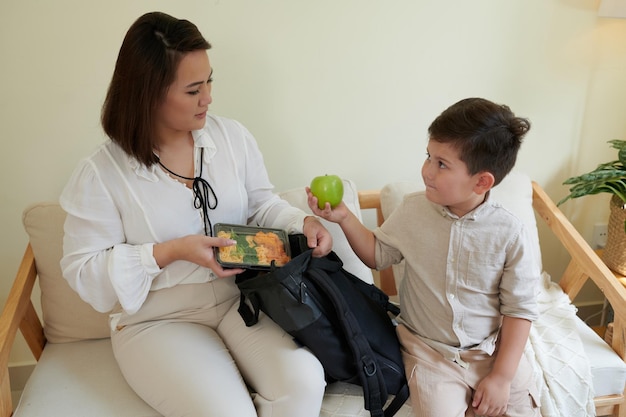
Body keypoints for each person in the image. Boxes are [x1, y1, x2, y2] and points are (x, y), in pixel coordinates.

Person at [60, 11, 332, 417]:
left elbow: (262, 205)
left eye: (209, 81)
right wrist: (170, 251)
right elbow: (83, 271)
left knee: (305, 383)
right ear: (148, 93)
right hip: (156, 321)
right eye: (192, 90)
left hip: (239, 299)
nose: (208, 97)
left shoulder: (232, 138)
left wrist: (302, 222)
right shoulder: (101, 173)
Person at [307, 97, 541, 417]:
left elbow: (519, 310)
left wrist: (501, 377)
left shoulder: (510, 232)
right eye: (428, 156)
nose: (427, 171)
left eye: (442, 164)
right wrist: (344, 216)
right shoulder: (413, 209)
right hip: (430, 353)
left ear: (482, 181)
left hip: (491, 350)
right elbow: (377, 255)